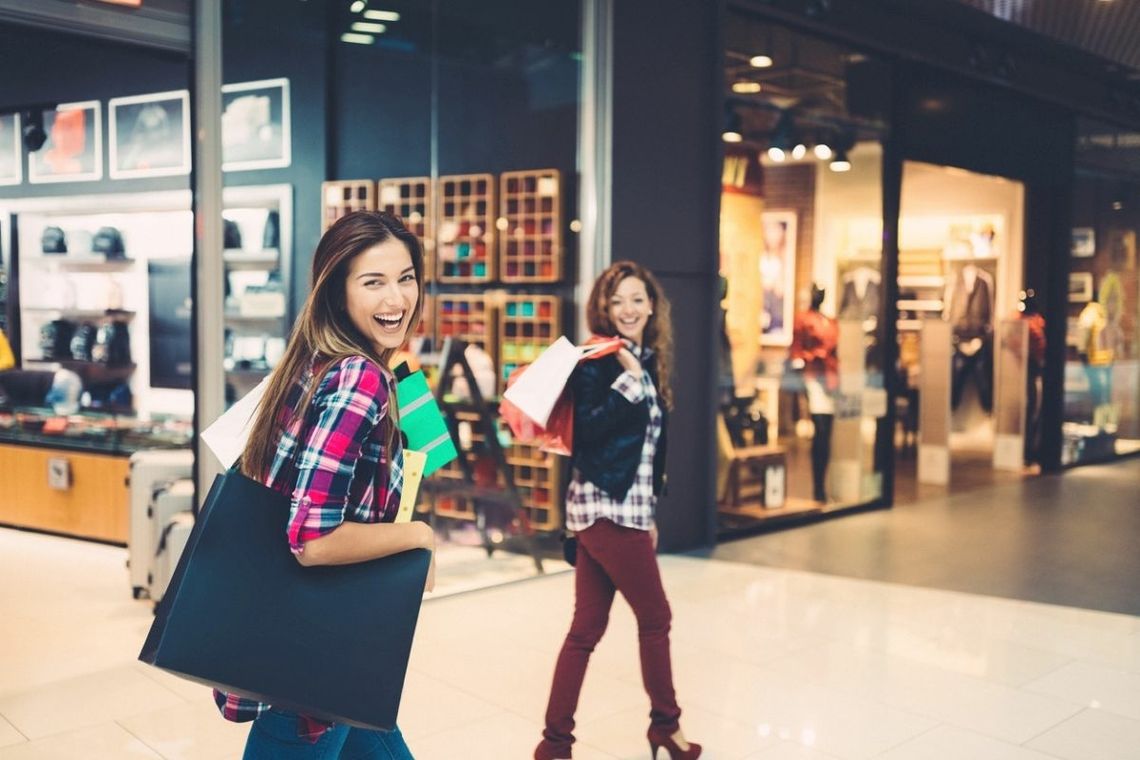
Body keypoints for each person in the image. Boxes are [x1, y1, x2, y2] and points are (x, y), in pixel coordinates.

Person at [217, 210, 436, 759]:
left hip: (332, 650)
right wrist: (419, 535)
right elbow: (313, 538)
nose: (396, 299)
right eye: (373, 282)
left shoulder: (313, 362)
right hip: (312, 667)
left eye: (405, 277)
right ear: (338, 292)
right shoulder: (359, 377)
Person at [535, 261, 701, 760]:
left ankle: (554, 744)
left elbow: (649, 451)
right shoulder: (598, 361)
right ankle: (666, 728)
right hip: (604, 510)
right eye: (617, 301)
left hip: (625, 510)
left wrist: (648, 513)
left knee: (586, 628)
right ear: (603, 309)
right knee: (656, 617)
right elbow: (586, 436)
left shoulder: (648, 358)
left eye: (636, 299)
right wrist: (628, 382)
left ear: (652, 305)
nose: (627, 309)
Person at [788, 283, 838, 503]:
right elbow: (796, 348)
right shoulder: (803, 319)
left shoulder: (829, 321)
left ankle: (822, 482)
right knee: (820, 429)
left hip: (831, 378)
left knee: (827, 433)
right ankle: (817, 486)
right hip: (813, 376)